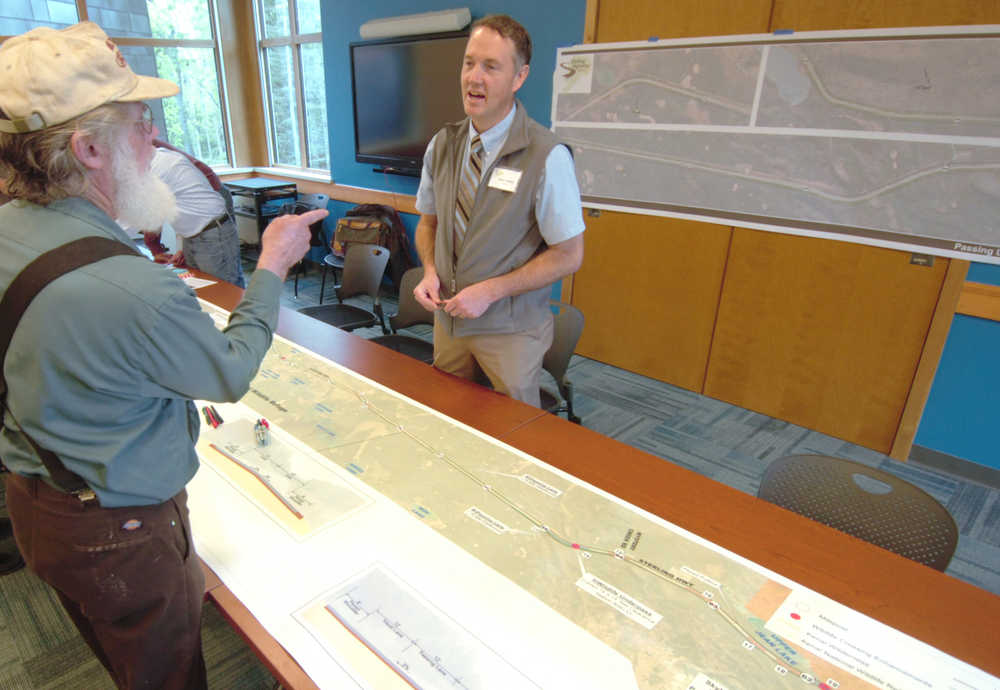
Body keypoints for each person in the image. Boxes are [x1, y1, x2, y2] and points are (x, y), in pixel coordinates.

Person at [0, 21, 325, 689]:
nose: (153, 140)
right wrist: (271, 265)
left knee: (117, 649)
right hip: (120, 530)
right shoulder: (132, 286)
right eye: (141, 122)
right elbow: (228, 371)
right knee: (167, 673)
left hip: (36, 504)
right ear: (89, 148)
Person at [413, 14, 585, 407]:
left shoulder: (547, 156)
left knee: (512, 439)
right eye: (469, 62)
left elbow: (569, 255)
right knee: (449, 419)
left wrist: (491, 291)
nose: (475, 77)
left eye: (491, 67)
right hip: (449, 323)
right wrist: (429, 270)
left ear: (519, 77)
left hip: (510, 331)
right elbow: (428, 223)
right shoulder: (442, 144)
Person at [139, 142, 247, 287]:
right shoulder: (140, 159)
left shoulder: (156, 161)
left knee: (224, 287)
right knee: (200, 283)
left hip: (211, 216)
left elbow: (154, 212)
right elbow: (181, 209)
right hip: (196, 225)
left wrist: (155, 248)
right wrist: (181, 247)